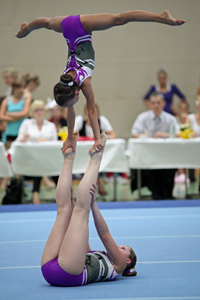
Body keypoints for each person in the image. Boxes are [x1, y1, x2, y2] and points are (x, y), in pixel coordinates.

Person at [16, 10, 185, 154]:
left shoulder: (85, 83)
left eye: (72, 102)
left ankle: (161, 17)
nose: (71, 107)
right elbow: (73, 112)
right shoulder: (64, 83)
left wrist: (97, 139)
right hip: (66, 27)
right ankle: (27, 29)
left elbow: (92, 112)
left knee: (120, 19)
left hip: (81, 26)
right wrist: (69, 138)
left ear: (76, 93)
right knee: (46, 23)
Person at [41, 131, 137, 287]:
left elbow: (104, 234)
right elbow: (76, 238)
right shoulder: (94, 254)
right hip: (50, 268)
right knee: (65, 209)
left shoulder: (119, 266)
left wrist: (93, 204)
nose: (120, 246)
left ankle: (96, 158)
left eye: (124, 248)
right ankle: (68, 158)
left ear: (128, 260)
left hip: (69, 274)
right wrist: (72, 203)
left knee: (81, 211)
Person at [131, 92, 178, 200]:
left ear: (163, 103)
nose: (156, 105)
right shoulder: (142, 117)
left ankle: (165, 191)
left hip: (166, 156)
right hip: (149, 156)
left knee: (170, 166)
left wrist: (163, 134)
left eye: (158, 103)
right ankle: (155, 190)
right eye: (153, 103)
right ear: (150, 104)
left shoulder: (170, 119)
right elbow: (134, 132)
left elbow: (178, 133)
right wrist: (142, 135)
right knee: (146, 168)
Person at [16, 100, 58, 204]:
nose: (39, 112)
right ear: (32, 112)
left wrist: (46, 140)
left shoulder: (50, 125)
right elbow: (18, 141)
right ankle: (38, 191)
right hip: (30, 158)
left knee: (50, 166)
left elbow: (55, 143)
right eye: (36, 110)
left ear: (44, 111)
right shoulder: (27, 123)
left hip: (48, 158)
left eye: (41, 110)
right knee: (38, 164)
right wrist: (24, 139)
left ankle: (40, 193)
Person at [75, 103, 116, 195]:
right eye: (88, 111)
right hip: (82, 152)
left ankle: (95, 185)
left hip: (97, 150)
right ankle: (93, 186)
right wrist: (86, 138)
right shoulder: (80, 121)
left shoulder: (102, 120)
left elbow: (113, 135)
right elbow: (73, 135)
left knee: (96, 161)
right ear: (85, 112)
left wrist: (102, 137)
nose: (91, 114)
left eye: (93, 111)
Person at [0, 80, 31, 149]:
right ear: (13, 89)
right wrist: (19, 116)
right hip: (10, 133)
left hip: (23, 134)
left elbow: (25, 113)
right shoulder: (7, 100)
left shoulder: (26, 99)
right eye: (19, 88)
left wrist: (10, 114)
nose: (22, 90)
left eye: (23, 88)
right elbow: (1, 116)